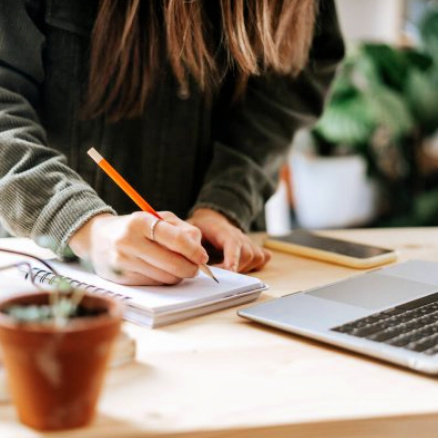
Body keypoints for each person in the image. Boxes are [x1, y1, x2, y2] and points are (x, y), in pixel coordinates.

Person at [0, 0, 344, 285]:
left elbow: (290, 86)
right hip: (41, 273)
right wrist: (86, 227)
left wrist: (225, 202)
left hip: (218, 277)